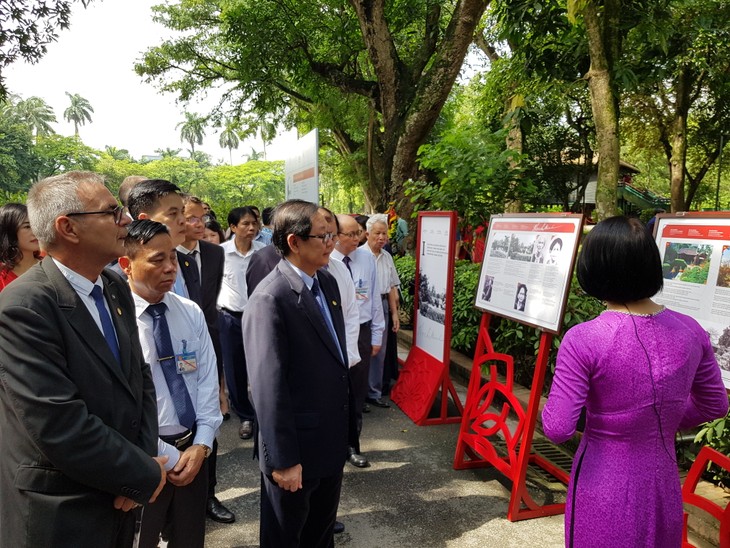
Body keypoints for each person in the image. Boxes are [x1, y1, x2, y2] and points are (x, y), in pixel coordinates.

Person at [0, 171, 167, 547]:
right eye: (111, 212)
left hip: (120, 500)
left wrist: (137, 469)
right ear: (68, 228)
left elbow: (138, 380)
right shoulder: (24, 307)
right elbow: (58, 422)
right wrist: (142, 474)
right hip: (61, 511)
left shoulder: (112, 288)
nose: (127, 219)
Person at [542, 216, 729, 548]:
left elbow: (558, 427)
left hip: (602, 482)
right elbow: (715, 403)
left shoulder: (583, 339)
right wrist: (661, 419)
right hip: (663, 481)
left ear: (594, 269)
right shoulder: (691, 331)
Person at [243, 200, 354, 547]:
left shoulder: (327, 284)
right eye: (323, 236)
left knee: (320, 534)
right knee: (286, 536)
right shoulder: (270, 298)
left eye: (333, 235)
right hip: (296, 451)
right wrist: (284, 459)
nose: (331, 244)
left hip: (328, 442)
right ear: (294, 242)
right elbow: (267, 388)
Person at [121, 220, 222, 547]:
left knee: (189, 538)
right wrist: (171, 456)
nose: (169, 268)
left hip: (193, 452)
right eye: (156, 260)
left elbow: (206, 379)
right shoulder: (116, 320)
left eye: (173, 259)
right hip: (145, 459)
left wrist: (202, 443)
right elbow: (120, 404)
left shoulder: (189, 311)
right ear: (127, 264)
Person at [177, 195, 235, 524]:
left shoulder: (214, 253)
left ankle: (209, 494)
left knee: (207, 420)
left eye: (203, 217)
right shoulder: (164, 254)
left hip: (209, 345)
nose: (199, 224)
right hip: (173, 351)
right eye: (191, 218)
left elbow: (210, 303)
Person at [331, 214, 385, 468]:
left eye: (359, 233)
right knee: (331, 392)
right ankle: (330, 444)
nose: (357, 238)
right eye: (350, 234)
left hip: (361, 332)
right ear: (335, 235)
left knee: (357, 392)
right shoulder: (326, 259)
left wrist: (376, 335)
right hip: (333, 332)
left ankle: (352, 445)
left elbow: (374, 298)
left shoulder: (366, 257)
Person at [217, 206, 266, 440]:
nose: (252, 228)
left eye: (254, 223)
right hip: (230, 318)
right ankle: (245, 416)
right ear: (233, 227)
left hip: (258, 318)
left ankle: (265, 413)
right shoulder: (220, 253)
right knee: (235, 369)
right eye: (245, 224)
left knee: (261, 366)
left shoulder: (264, 253)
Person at [363, 214, 400, 408]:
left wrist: (394, 314)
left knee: (380, 350)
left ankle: (374, 392)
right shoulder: (358, 255)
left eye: (384, 233)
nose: (381, 237)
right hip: (363, 305)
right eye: (377, 233)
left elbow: (392, 287)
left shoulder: (387, 257)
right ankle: (359, 393)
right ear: (367, 234)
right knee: (361, 347)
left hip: (383, 304)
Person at [0, 203, 41, 291]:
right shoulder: (2, 276)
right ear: (9, 232)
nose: (35, 231)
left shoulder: (51, 265)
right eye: (27, 226)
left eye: (35, 225)